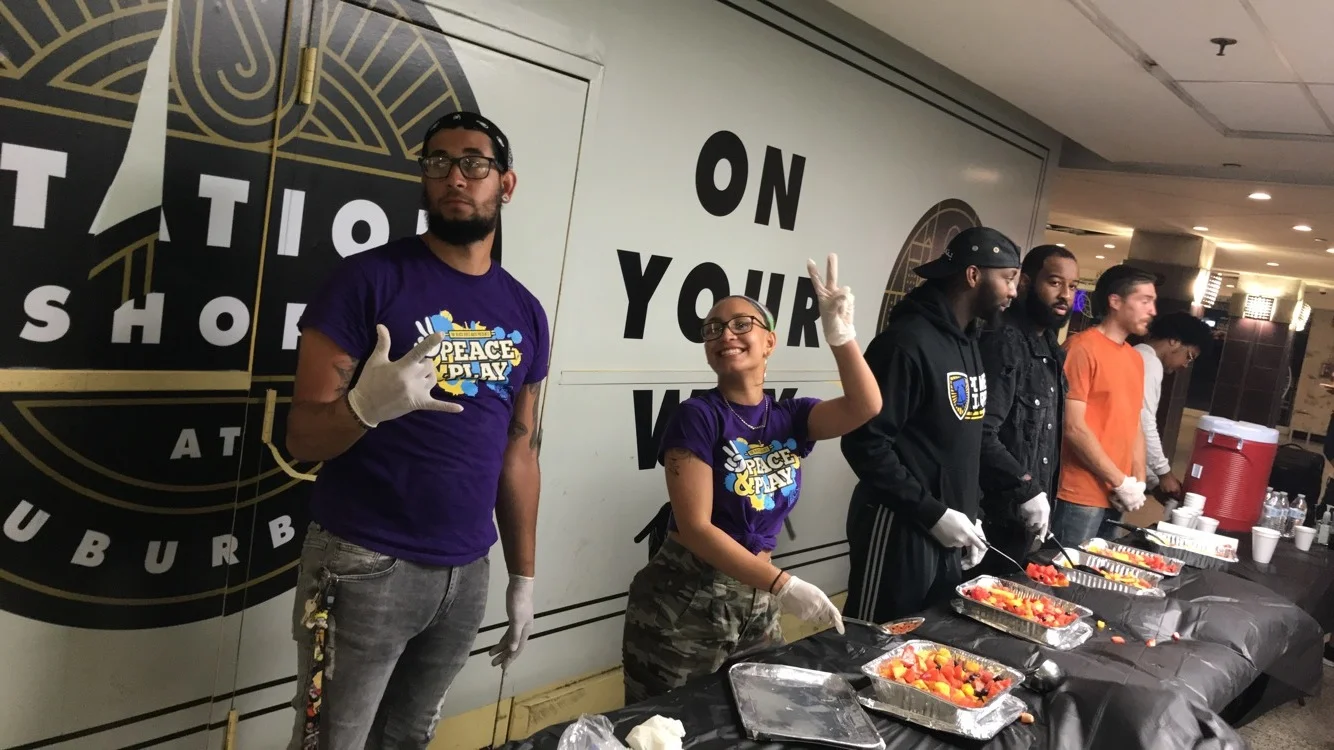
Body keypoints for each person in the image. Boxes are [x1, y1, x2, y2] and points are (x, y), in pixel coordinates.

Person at [284, 111, 548, 750]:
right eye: (438, 162)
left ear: (506, 184)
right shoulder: (367, 280)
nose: (455, 176)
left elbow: (520, 451)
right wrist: (363, 408)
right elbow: (301, 439)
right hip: (363, 559)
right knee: (331, 743)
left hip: (467, 568)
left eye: (474, 163)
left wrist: (523, 577)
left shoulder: (525, 310)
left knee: (407, 740)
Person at [621, 255, 881, 704]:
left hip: (759, 596)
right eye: (713, 329)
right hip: (685, 601)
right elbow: (696, 527)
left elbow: (866, 406)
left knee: (761, 712)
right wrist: (783, 584)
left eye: (742, 324)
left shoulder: (792, 417)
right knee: (666, 723)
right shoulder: (697, 416)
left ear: (769, 342)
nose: (726, 334)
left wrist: (841, 336)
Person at [841, 227, 1021, 624]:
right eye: (1008, 278)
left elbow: (961, 442)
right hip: (897, 527)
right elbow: (864, 443)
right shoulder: (904, 343)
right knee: (874, 639)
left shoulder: (969, 340)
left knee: (925, 642)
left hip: (947, 528)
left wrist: (969, 511)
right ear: (973, 275)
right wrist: (932, 513)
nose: (1013, 292)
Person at [976, 244, 1079, 571]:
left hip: (1024, 522)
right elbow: (980, 431)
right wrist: (1026, 488)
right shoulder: (1003, 340)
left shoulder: (1050, 346)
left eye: (1073, 286)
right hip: (989, 517)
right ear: (1024, 283)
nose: (1065, 295)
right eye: (1055, 282)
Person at [1050, 264, 1158, 546]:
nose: (1152, 311)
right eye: (1145, 301)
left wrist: (1137, 481)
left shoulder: (1134, 358)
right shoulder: (1081, 348)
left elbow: (1134, 423)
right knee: (1063, 568)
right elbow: (1073, 427)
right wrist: (1120, 481)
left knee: (1099, 570)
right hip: (1079, 493)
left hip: (1117, 495)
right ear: (1115, 301)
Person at [1135, 311, 1213, 512]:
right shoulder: (1149, 363)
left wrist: (1153, 480)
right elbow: (1143, 423)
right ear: (1174, 341)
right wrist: (1163, 473)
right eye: (1189, 356)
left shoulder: (1137, 355)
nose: (1185, 365)